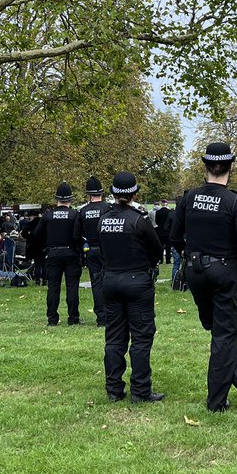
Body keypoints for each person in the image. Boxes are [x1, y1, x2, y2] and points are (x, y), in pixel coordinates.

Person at [170, 142, 237, 413]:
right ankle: (217, 401)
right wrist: (235, 268)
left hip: (195, 272)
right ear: (231, 167)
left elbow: (173, 237)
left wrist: (190, 255)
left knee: (219, 330)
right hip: (224, 271)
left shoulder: (189, 199)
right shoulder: (235, 202)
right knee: (224, 333)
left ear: (205, 165)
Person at [98, 171, 165, 403]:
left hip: (110, 279)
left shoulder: (103, 219)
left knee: (114, 337)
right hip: (137, 280)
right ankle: (140, 390)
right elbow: (157, 250)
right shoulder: (139, 219)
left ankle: (113, 389)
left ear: (113, 192)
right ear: (135, 192)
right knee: (141, 336)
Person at [33, 183, 82, 325]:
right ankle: (73, 318)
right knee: (72, 286)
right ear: (70, 199)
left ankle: (52, 319)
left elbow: (37, 234)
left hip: (53, 252)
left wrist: (45, 246)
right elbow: (78, 235)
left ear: (56, 200)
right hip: (71, 252)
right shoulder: (75, 215)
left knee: (53, 287)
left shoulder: (48, 215)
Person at [75, 176, 110, 326]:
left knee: (96, 283)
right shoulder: (108, 208)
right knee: (110, 282)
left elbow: (77, 234)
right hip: (108, 250)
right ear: (101, 193)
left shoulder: (82, 211)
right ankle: (111, 315)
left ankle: (101, 317)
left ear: (88, 194)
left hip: (92, 250)